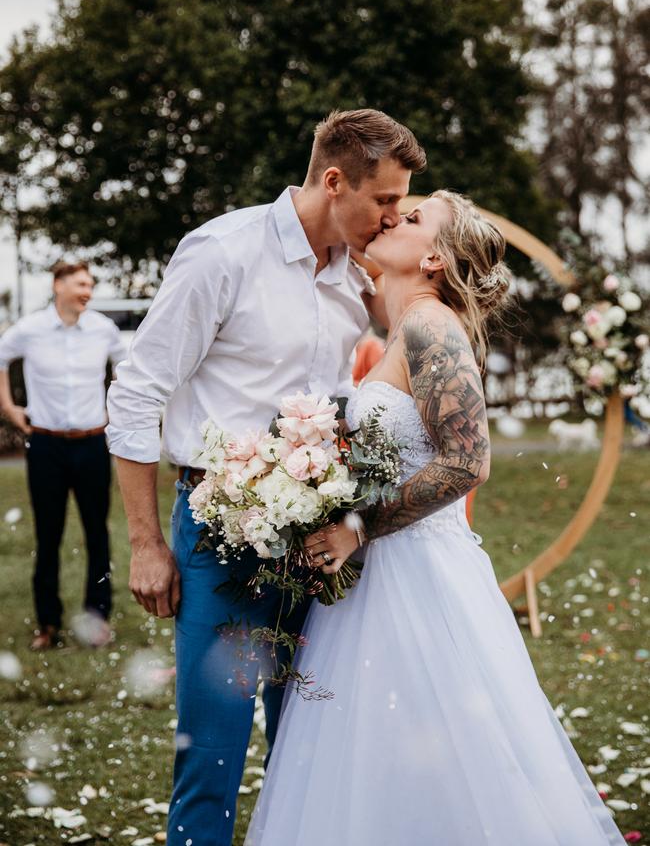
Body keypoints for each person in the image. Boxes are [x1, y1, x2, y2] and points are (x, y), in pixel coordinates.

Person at [245, 192, 626, 846]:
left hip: (417, 576)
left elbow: (468, 463)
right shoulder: (406, 325)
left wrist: (356, 525)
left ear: (433, 260)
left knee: (436, 746)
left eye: (413, 217)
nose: (394, 217)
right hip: (376, 579)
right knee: (380, 752)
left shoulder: (431, 327)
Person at [105, 109, 428, 846]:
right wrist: (146, 542)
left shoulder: (357, 272)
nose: (393, 215)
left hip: (316, 543)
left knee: (308, 749)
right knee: (211, 756)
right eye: (384, 199)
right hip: (218, 530)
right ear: (334, 179)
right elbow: (136, 394)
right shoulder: (223, 252)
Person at [0, 261, 126, 651]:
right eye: (80, 284)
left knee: (97, 534)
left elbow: (128, 367)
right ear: (58, 286)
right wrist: (9, 408)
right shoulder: (29, 329)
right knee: (49, 534)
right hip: (46, 446)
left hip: (91, 444)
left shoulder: (103, 329)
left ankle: (98, 618)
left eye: (90, 284)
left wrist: (115, 408)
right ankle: (48, 625)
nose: (87, 291)